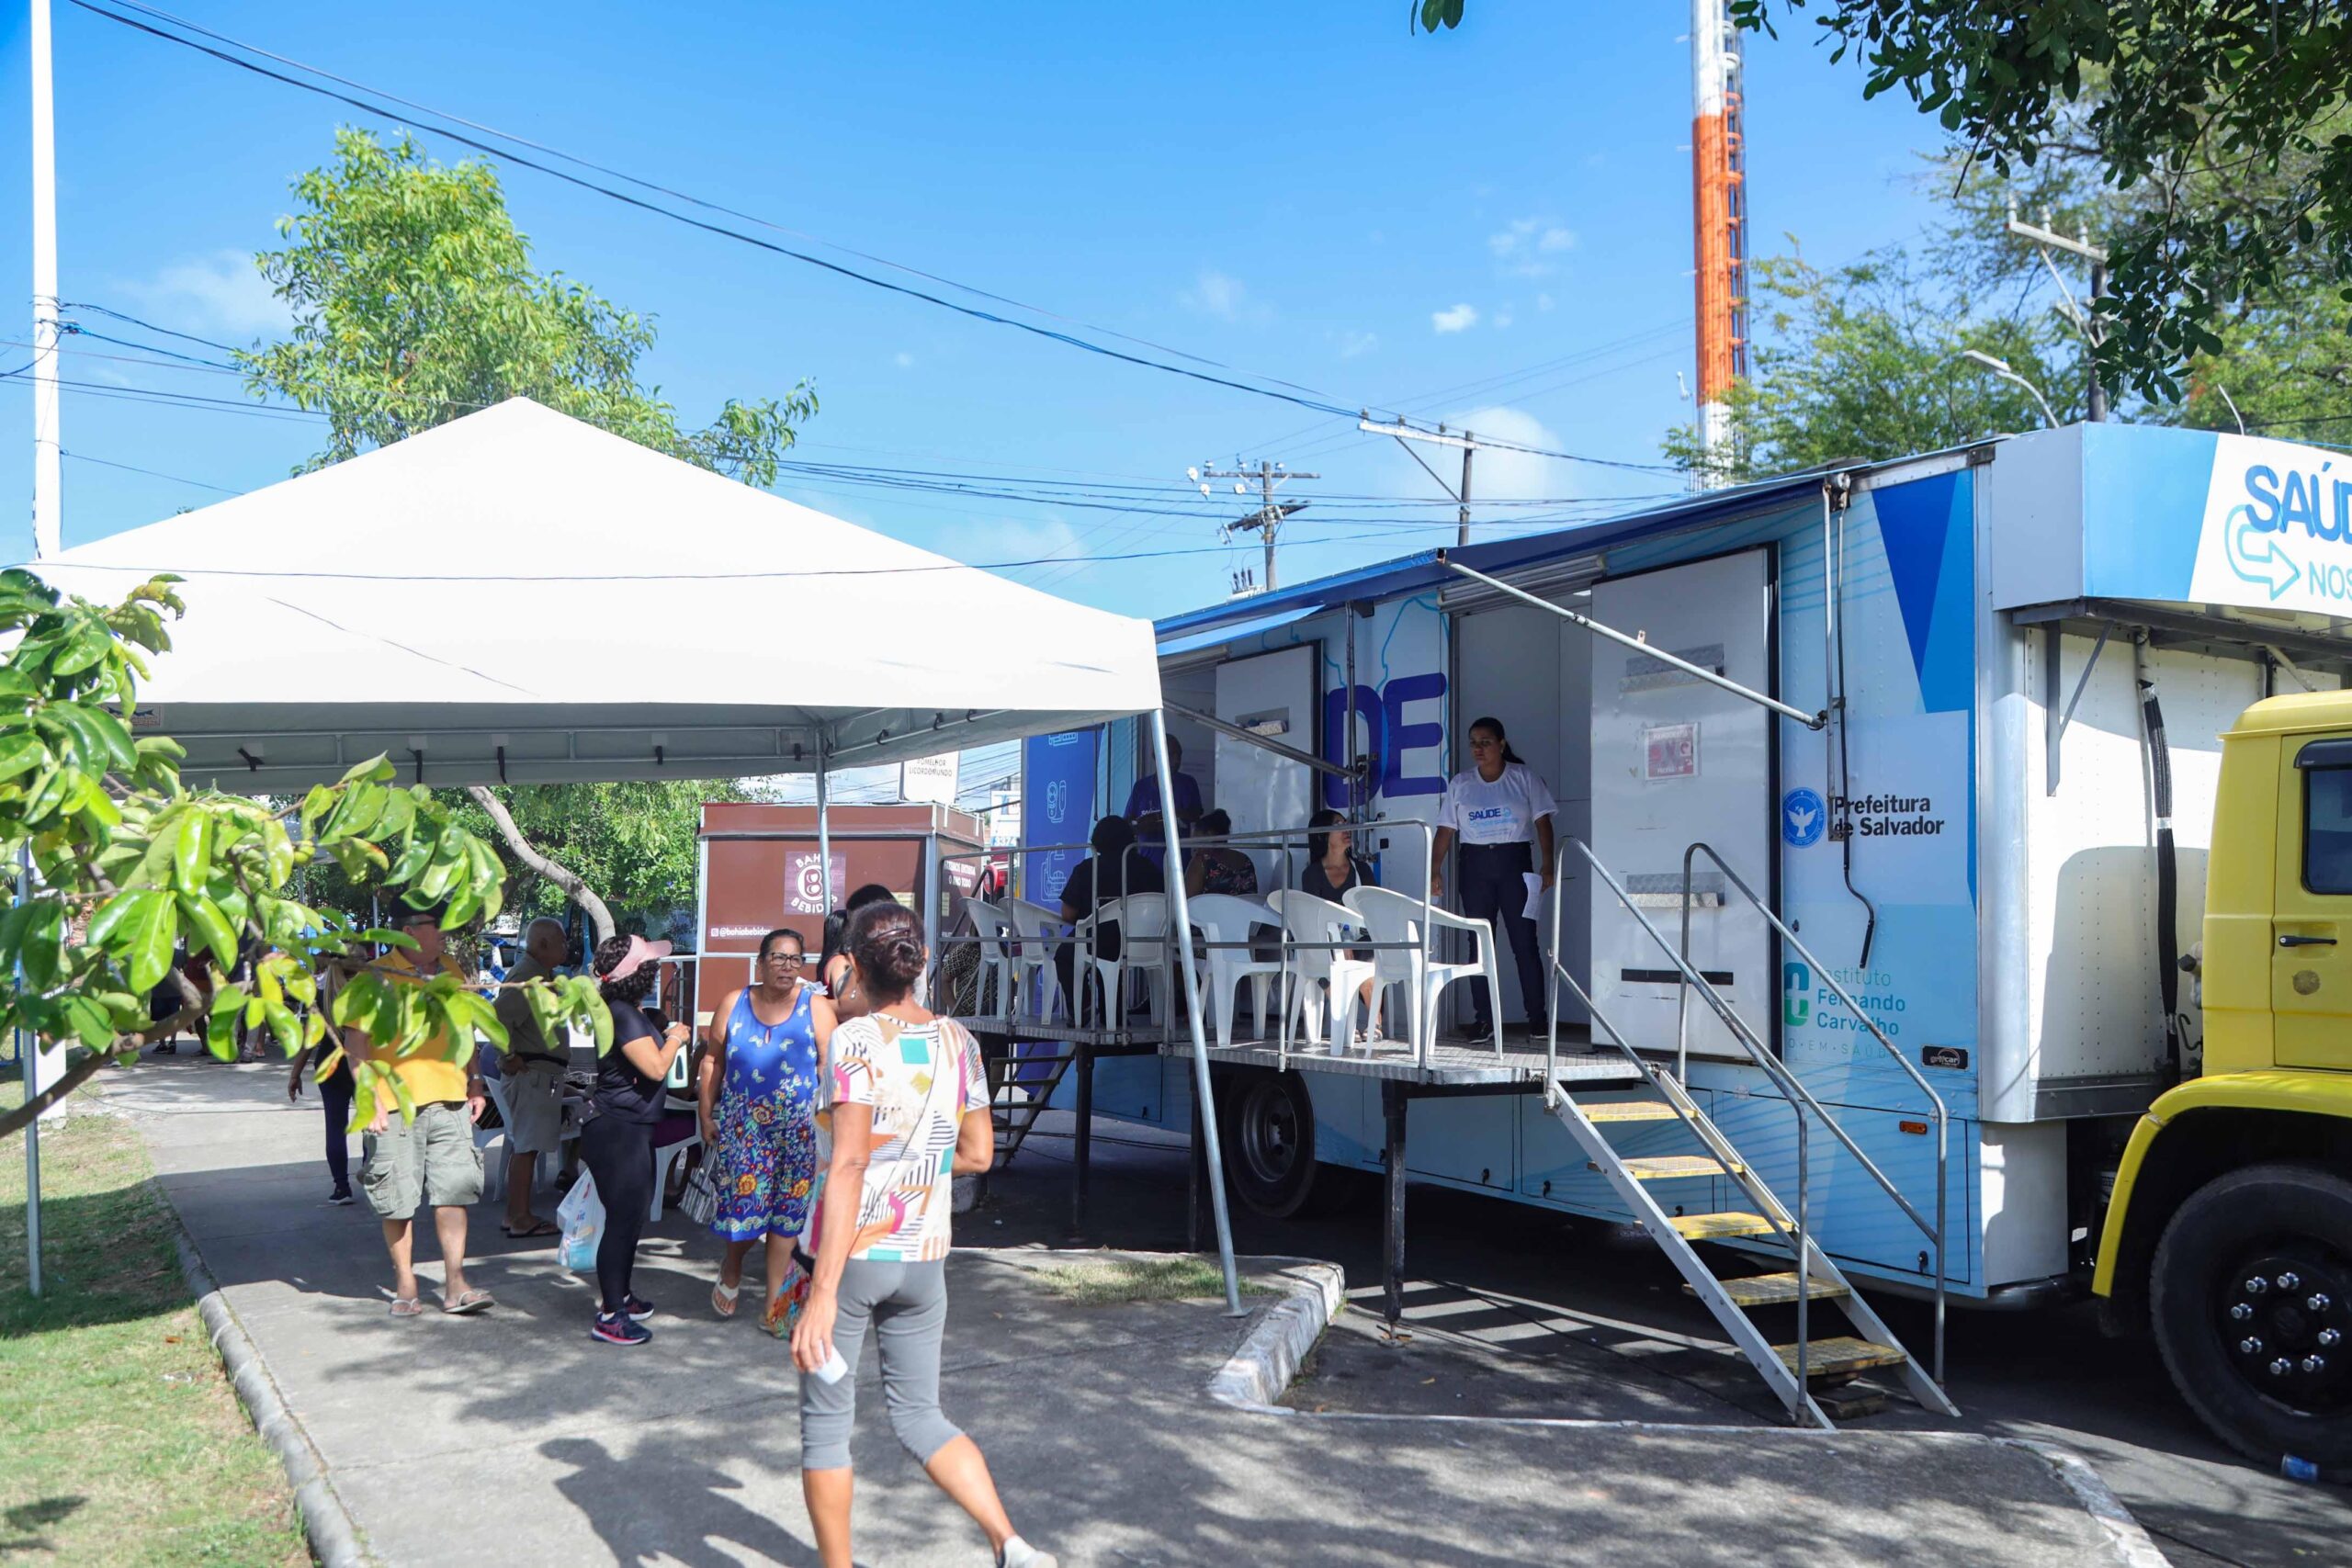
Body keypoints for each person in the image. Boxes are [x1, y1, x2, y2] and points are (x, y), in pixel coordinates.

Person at [791, 901, 1055, 1568]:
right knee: (919, 1416)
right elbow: (979, 1152)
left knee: (826, 1427)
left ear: (853, 964)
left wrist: (821, 1292)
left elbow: (848, 1162)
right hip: (924, 1257)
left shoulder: (854, 1041)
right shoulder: (958, 1041)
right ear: (922, 961)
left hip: (854, 1257)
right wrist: (913, 1164)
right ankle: (1011, 1543)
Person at [348, 906, 493, 1317]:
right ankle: (405, 1284)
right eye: (437, 927)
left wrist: (476, 1081)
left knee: (455, 1191)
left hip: (449, 1099)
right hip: (394, 1106)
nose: (446, 933)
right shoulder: (375, 976)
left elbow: (465, 1030)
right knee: (397, 1199)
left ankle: (455, 1285)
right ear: (409, 932)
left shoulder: (450, 971)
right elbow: (354, 1041)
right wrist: (368, 1098)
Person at [699, 926, 831, 1332]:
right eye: (779, 958)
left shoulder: (816, 1008)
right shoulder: (733, 1003)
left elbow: (829, 1068)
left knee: (787, 1219)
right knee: (743, 1212)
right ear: (760, 962)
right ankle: (733, 1265)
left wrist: (828, 1128)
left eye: (796, 960)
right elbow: (713, 1061)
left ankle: (777, 1308)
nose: (787, 967)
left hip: (800, 1134)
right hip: (744, 1132)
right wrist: (707, 1112)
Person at [577, 931, 695, 1346]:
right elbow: (656, 1068)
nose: (656, 969)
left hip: (624, 1128)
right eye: (650, 964)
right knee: (623, 1221)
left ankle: (621, 1295)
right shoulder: (622, 1014)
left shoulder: (623, 1010)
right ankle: (610, 1315)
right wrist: (677, 1039)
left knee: (631, 1217)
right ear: (638, 973)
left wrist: (660, 1024)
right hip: (617, 1131)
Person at [1430, 715, 1556, 1039]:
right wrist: (1435, 870)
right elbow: (1445, 831)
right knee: (1478, 944)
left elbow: (1543, 822)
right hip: (1475, 865)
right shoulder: (1461, 783)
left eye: (1485, 742)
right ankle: (1484, 1019)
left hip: (1515, 861)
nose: (1478, 749)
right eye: (1473, 743)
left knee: (1524, 943)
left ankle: (1538, 1018)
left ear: (1501, 744)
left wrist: (1547, 865)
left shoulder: (1523, 777)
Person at [490, 917, 571, 1238]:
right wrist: (508, 1056)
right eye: (562, 941)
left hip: (542, 1072)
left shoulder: (540, 975)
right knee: (526, 1147)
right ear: (543, 945)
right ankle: (520, 1216)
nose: (567, 947)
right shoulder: (527, 977)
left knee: (527, 1147)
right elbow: (496, 1019)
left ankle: (516, 1214)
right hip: (533, 1074)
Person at [1055, 814, 1163, 1024]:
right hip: (1147, 942)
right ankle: (1114, 1015)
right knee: (1111, 961)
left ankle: (1083, 1005)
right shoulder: (1148, 868)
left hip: (1099, 941)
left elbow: (1068, 914)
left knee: (1066, 954)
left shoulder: (1087, 869)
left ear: (1097, 840)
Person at [288, 950, 361, 1205]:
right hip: (362, 1066)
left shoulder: (321, 997)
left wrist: (295, 1075)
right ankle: (373, 1174)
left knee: (335, 1127)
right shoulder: (365, 996)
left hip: (329, 1068)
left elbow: (309, 1040)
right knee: (374, 1125)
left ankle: (341, 1187)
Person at [1301, 808, 1380, 1040]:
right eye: (1338, 824)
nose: (1346, 829)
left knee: (1369, 958)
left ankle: (1374, 1023)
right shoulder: (1312, 873)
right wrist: (1338, 941)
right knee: (1330, 958)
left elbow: (1373, 906)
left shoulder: (1361, 870)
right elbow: (1312, 916)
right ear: (1323, 834)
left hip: (1360, 934)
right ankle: (1345, 1019)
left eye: (1346, 823)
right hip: (1325, 938)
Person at [820, 883, 898, 1018]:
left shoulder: (872, 958)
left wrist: (807, 1002)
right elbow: (944, 980)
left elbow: (849, 1009)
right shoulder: (912, 953)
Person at [1182, 808, 1258, 898]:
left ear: (1209, 835)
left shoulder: (1202, 861)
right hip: (1246, 912)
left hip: (1210, 912)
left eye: (1197, 841)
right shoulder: (1246, 861)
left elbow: (1186, 901)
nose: (1195, 848)